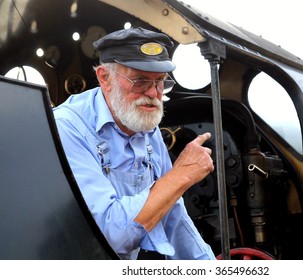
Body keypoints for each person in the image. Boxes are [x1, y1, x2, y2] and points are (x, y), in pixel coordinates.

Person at [53, 27, 216, 260]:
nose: (152, 93)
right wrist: (181, 175)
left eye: (160, 82)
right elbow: (107, 236)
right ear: (105, 78)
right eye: (140, 81)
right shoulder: (69, 128)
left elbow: (172, 215)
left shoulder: (145, 125)